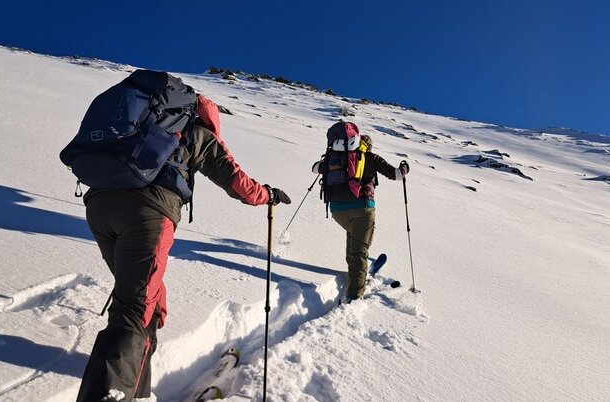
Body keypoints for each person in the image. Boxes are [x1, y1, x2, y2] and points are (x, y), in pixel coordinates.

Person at [76, 94, 291, 402]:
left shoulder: (138, 125)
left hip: (98, 206)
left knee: (142, 300)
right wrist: (266, 195)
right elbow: (237, 182)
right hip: (147, 215)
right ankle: (109, 394)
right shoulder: (196, 133)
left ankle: (138, 390)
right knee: (134, 310)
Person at [312, 125, 409, 302]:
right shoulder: (371, 157)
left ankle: (355, 272)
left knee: (353, 239)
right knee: (360, 251)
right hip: (362, 208)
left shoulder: (335, 157)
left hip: (336, 210)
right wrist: (404, 168)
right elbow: (396, 175)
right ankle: (354, 297)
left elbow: (314, 168)